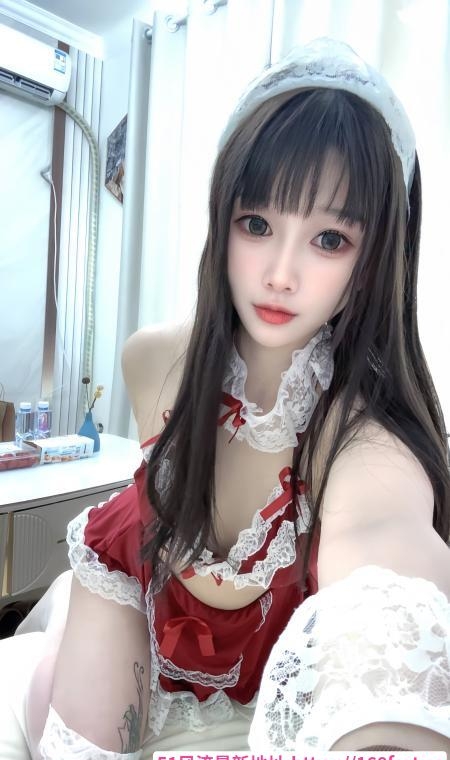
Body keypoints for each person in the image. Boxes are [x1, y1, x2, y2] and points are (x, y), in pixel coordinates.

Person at [21, 37, 450, 757]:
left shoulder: (363, 442)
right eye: (257, 224)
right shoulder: (152, 358)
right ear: (221, 219)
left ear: (376, 259)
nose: (280, 273)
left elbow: (386, 578)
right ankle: (67, 606)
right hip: (126, 606)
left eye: (329, 239)